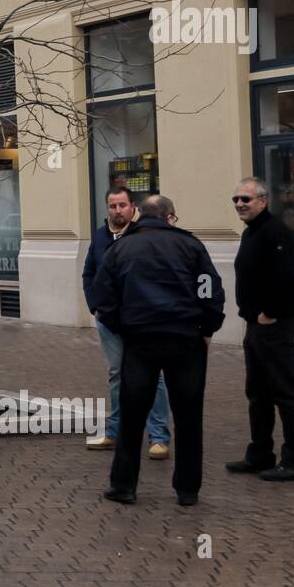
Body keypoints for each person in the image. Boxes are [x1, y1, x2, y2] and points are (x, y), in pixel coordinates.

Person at [92, 195, 225, 507]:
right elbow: (210, 290)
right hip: (185, 340)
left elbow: (103, 297)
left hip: (140, 341)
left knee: (132, 416)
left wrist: (122, 327)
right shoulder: (192, 247)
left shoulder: (120, 248)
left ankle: (124, 485)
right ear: (170, 217)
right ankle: (187, 490)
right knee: (189, 417)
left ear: (141, 214)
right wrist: (206, 329)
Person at [228, 177, 294, 482]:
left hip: (274, 325)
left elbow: (284, 277)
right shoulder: (252, 232)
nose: (239, 204)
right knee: (258, 393)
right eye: (235, 199)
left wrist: (269, 313)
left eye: (245, 199)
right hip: (256, 326)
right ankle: (260, 453)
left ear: (262, 201)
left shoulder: (274, 231)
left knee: (285, 392)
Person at [81, 187, 170, 459]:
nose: (117, 210)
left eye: (122, 205)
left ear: (133, 207)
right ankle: (114, 433)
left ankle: (159, 437)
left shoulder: (145, 235)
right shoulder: (99, 236)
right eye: (112, 206)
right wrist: (95, 306)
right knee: (117, 375)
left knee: (153, 376)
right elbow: (89, 273)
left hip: (141, 319)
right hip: (109, 320)